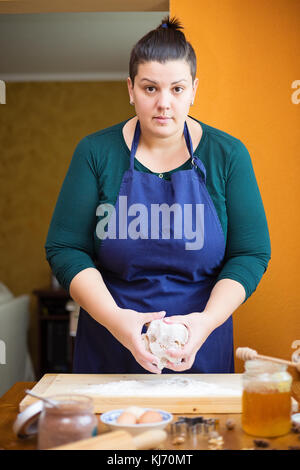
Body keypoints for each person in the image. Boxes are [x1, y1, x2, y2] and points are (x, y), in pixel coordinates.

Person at [45, 16, 271, 375]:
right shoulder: (95, 152)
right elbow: (65, 248)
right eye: (150, 88)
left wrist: (205, 323)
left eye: (177, 89)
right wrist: (117, 321)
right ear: (130, 88)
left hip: (199, 347)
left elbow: (251, 253)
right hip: (110, 346)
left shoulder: (228, 155)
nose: (164, 103)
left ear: (194, 89)